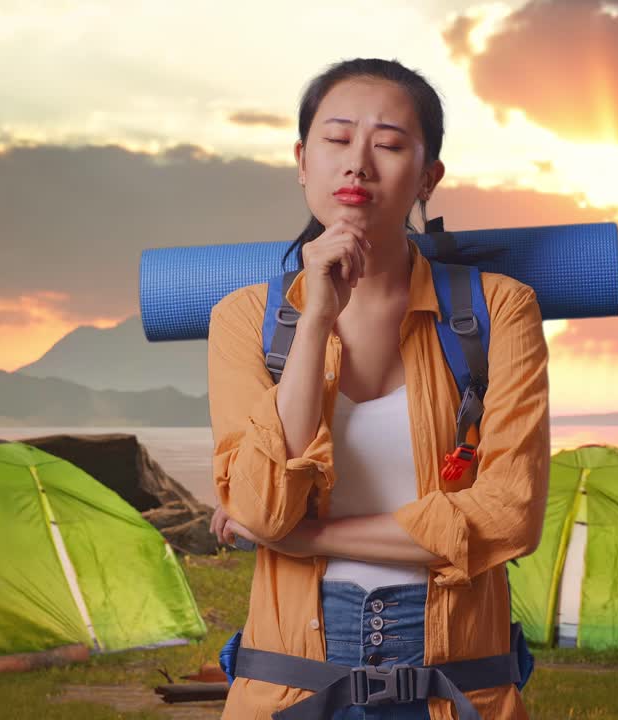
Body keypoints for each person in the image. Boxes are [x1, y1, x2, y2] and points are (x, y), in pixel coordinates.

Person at [206, 57, 550, 719]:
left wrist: (306, 537)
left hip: (457, 689)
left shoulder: (500, 311)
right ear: (303, 161)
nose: (358, 163)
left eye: (389, 145)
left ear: (428, 176)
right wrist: (315, 321)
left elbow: (510, 517)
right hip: (287, 691)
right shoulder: (243, 320)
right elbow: (262, 504)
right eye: (336, 141)